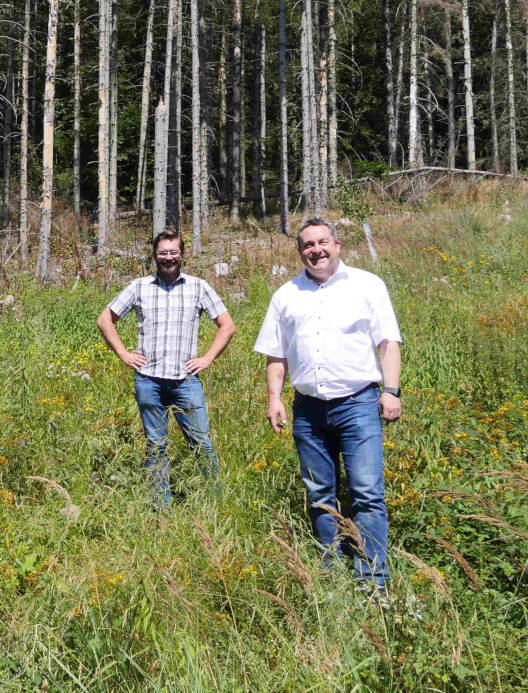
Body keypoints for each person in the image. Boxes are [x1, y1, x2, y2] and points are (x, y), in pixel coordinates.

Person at [255, 217, 403, 587]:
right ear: (300, 251)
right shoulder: (285, 295)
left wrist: (392, 390)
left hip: (359, 405)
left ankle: (373, 581)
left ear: (337, 245)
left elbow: (388, 342)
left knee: (366, 492)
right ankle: (332, 575)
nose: (316, 250)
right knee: (321, 494)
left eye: (322, 242)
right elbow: (276, 355)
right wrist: (275, 399)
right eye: (307, 244)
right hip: (308, 409)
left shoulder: (367, 285)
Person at [97, 227, 237, 507]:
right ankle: (161, 507)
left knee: (202, 444)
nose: (169, 258)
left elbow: (227, 326)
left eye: (173, 252)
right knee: (156, 446)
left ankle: (216, 502)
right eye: (163, 253)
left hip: (185, 380)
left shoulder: (198, 287)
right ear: (154, 256)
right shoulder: (139, 287)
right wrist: (124, 354)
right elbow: (105, 320)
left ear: (182, 254)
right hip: (148, 381)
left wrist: (207, 358)